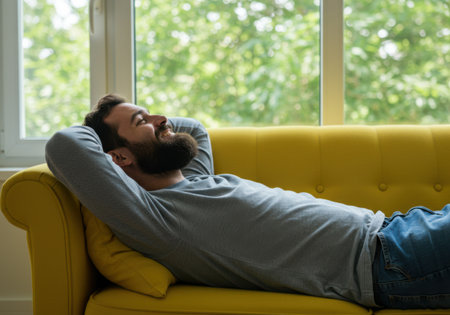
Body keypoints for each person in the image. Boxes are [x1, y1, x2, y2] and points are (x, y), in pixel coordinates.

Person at [45, 94, 450, 309]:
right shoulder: (157, 219)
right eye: (142, 123)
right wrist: (102, 127)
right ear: (119, 158)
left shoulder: (194, 181)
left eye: (152, 114)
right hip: (391, 261)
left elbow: (193, 128)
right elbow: (65, 145)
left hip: (399, 228)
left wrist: (144, 123)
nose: (161, 120)